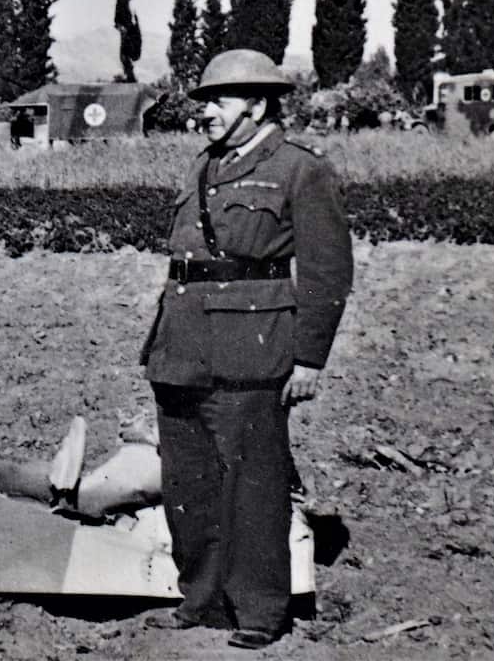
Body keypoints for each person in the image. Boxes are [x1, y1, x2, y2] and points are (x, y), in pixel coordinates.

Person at [138, 49, 354, 650]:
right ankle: (200, 598)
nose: (204, 112)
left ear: (256, 106)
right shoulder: (202, 166)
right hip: (181, 345)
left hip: (251, 349)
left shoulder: (300, 169)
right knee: (190, 481)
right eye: (203, 100)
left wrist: (310, 358)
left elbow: (326, 271)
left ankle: (259, 609)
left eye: (217, 101)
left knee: (253, 483)